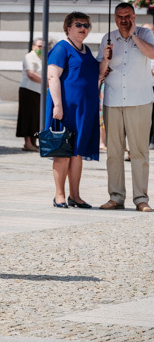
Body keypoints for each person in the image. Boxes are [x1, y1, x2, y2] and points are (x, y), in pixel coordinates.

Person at [46, 12, 111, 209]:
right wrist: (57, 105)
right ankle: (60, 195)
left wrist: (106, 59)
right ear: (68, 27)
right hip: (66, 108)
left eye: (86, 25)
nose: (83, 28)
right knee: (63, 151)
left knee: (77, 153)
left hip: (85, 108)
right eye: (78, 24)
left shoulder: (86, 50)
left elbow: (98, 76)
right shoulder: (61, 48)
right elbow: (52, 77)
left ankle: (75, 195)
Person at [97, 3, 154, 212]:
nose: (124, 20)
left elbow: (153, 54)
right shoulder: (107, 38)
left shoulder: (145, 33)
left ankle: (141, 199)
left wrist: (134, 36)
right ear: (114, 17)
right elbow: (100, 73)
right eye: (120, 16)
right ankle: (115, 197)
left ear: (134, 16)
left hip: (139, 100)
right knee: (113, 152)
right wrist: (105, 58)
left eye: (128, 16)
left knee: (139, 152)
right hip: (113, 101)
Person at [16, 38, 43, 152]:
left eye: (43, 47)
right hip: (28, 89)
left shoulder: (43, 58)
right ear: (33, 46)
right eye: (39, 46)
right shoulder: (29, 56)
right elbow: (31, 73)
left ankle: (34, 142)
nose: (41, 49)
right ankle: (27, 142)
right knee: (27, 117)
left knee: (36, 118)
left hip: (39, 91)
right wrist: (46, 81)